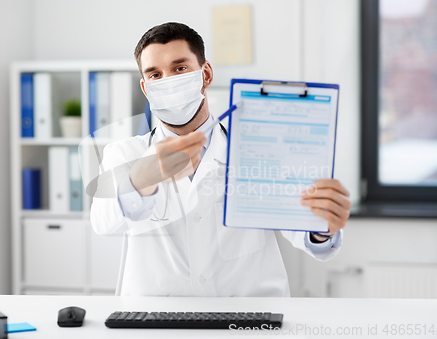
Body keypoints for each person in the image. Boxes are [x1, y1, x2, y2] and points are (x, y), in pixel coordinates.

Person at [90, 22, 352, 297]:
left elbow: (304, 231)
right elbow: (104, 222)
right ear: (146, 89)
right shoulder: (124, 154)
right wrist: (140, 179)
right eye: (155, 75)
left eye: (179, 69)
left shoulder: (258, 148)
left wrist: (322, 228)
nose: (167, 81)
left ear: (206, 74)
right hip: (158, 321)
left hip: (248, 318)